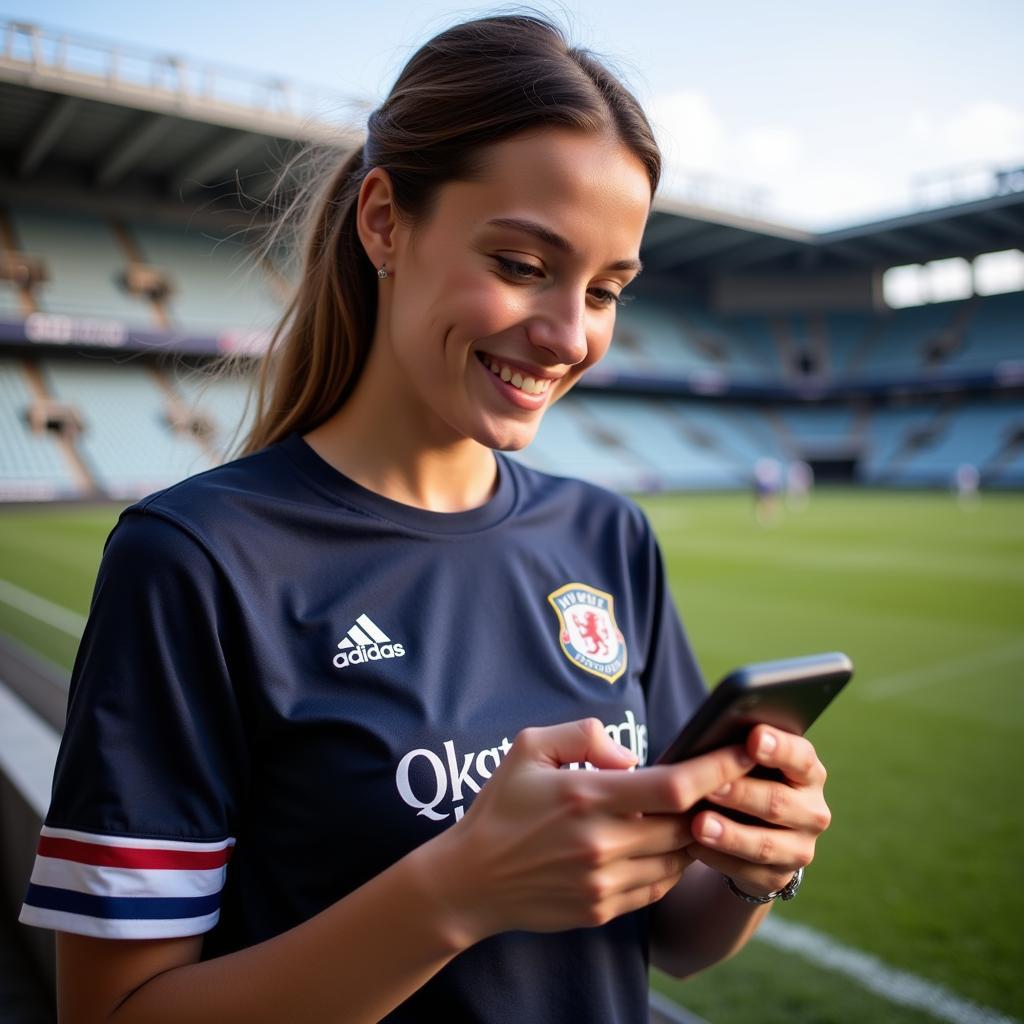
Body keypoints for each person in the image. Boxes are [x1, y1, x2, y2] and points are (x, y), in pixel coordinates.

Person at [18, 14, 832, 1023]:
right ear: (383, 222)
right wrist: (456, 891)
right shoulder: (197, 559)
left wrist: (752, 860)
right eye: (522, 265)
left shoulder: (608, 537)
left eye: (607, 289)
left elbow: (668, 936)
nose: (568, 335)